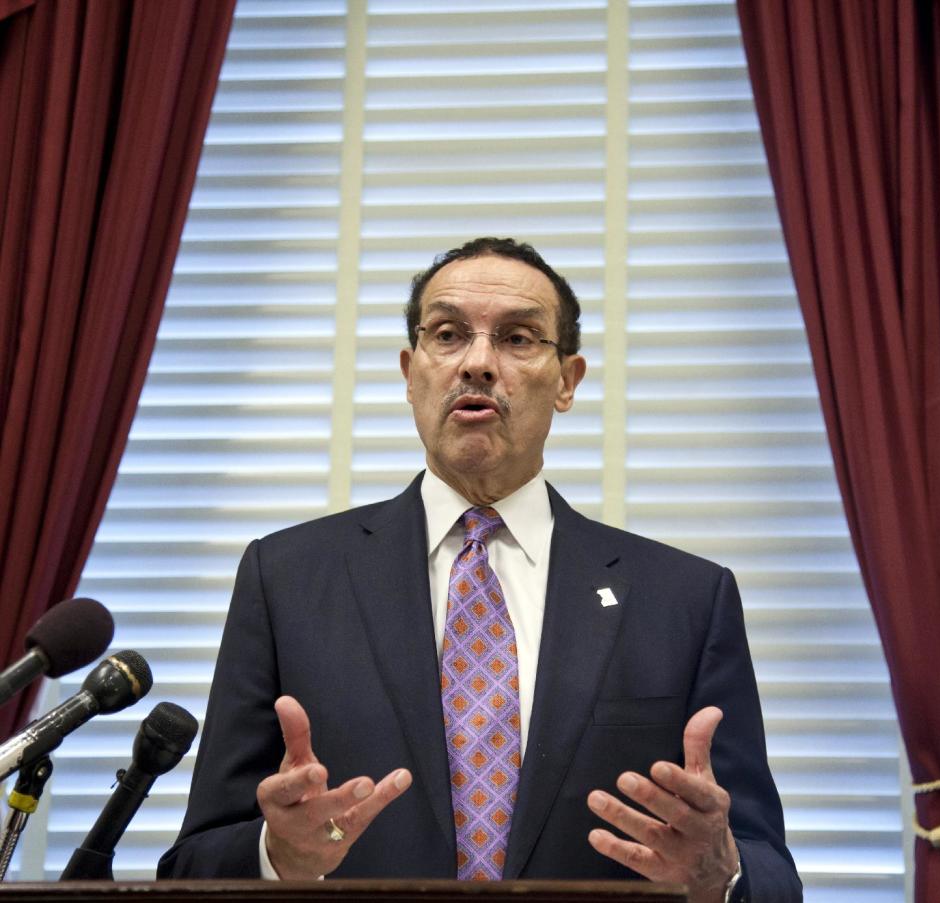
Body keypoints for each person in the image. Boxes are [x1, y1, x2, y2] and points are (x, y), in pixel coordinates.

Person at [158, 238, 802, 902]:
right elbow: (191, 865)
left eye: (519, 338)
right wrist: (278, 854)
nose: (478, 363)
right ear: (410, 373)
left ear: (568, 381)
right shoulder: (286, 578)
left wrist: (719, 875)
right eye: (448, 334)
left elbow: (772, 873)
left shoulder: (686, 599)